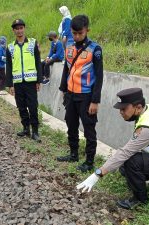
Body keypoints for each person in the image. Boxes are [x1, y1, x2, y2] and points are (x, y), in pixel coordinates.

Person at [76, 88, 149, 210]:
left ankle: (140, 199)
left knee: (130, 161)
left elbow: (126, 152)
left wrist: (97, 175)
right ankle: (138, 182)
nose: (121, 112)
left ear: (138, 107)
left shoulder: (148, 127)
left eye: (124, 109)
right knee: (125, 167)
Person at [56, 15, 104, 173]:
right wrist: (63, 90)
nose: (76, 36)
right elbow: (66, 69)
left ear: (87, 31)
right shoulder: (69, 46)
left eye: (80, 33)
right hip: (71, 94)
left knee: (89, 129)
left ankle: (89, 162)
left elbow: (99, 76)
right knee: (71, 125)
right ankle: (73, 153)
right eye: (74, 33)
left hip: (86, 96)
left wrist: (95, 101)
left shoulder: (94, 49)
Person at [6, 19, 42, 142]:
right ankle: (26, 128)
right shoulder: (10, 47)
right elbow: (9, 66)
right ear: (13, 30)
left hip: (31, 82)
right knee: (21, 106)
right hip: (17, 83)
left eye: (21, 28)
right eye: (17, 28)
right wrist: (10, 84)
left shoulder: (33, 43)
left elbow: (38, 61)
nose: (19, 30)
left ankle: (35, 131)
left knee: (32, 107)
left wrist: (39, 80)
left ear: (24, 28)